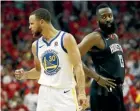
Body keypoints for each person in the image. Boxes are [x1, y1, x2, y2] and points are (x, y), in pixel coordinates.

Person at [14, 8, 87, 111]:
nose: (29, 27)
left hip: (64, 93)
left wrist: (82, 93)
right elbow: (40, 71)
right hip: (44, 93)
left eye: (32, 23)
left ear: (42, 22)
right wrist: (25, 75)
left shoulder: (66, 39)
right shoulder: (36, 45)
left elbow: (78, 66)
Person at [78, 3, 126, 111]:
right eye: (104, 17)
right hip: (102, 90)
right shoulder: (94, 37)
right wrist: (97, 77)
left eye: (110, 15)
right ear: (97, 21)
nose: (108, 19)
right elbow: (71, 57)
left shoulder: (114, 36)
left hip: (116, 89)